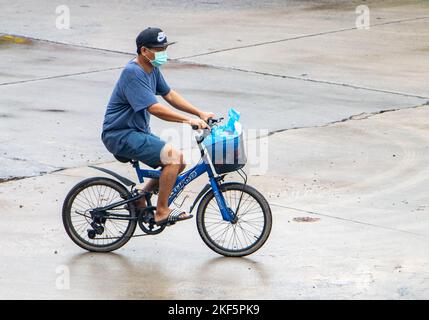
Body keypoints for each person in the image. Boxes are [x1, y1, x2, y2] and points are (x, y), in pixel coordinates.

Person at [101, 27, 215, 226]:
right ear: (144, 51)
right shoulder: (133, 73)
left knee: (179, 162)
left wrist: (199, 113)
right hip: (120, 134)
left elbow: (169, 95)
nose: (164, 53)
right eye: (159, 49)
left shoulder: (151, 69)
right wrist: (187, 121)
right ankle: (161, 211)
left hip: (136, 132)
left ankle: (141, 196)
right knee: (174, 158)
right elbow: (154, 108)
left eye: (165, 48)